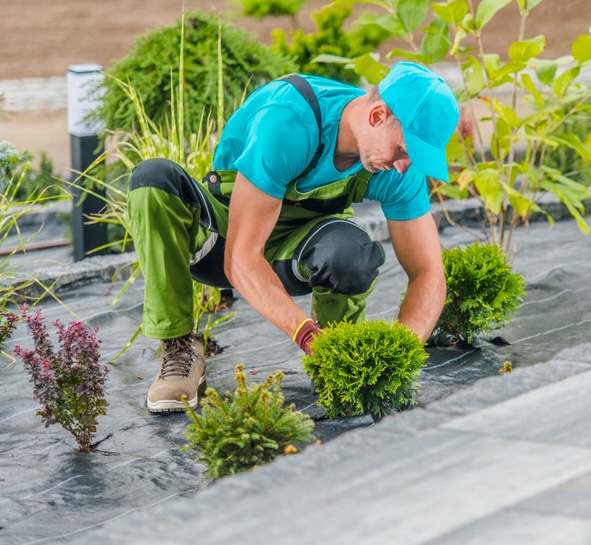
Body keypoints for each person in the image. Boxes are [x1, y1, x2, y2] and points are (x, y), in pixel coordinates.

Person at [126, 61, 459, 412]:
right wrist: (306, 335)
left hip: (294, 257)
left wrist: (399, 354)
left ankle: (337, 357)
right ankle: (179, 348)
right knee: (153, 179)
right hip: (222, 244)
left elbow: (428, 273)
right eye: (405, 150)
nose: (404, 165)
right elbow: (240, 259)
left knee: (352, 253)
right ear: (378, 116)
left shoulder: (394, 166)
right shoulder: (289, 120)